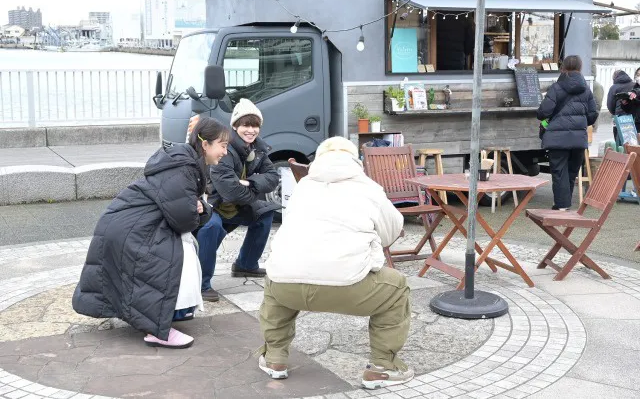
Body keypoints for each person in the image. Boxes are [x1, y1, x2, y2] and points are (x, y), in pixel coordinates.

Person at [257, 136, 411, 390]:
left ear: (318, 159)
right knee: (397, 288)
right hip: (348, 286)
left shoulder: (303, 186)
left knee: (277, 278)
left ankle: (274, 359)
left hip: (287, 289)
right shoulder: (369, 188)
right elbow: (392, 232)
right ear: (355, 160)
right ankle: (383, 367)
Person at [72, 117, 230, 348]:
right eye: (222, 145)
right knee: (176, 257)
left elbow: (186, 210)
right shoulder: (184, 167)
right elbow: (184, 220)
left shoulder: (185, 162)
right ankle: (157, 330)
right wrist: (201, 208)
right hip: (130, 229)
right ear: (205, 144)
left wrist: (200, 207)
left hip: (126, 224)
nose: (225, 151)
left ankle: (167, 315)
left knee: (178, 251)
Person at [197, 98, 279, 303]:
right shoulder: (225, 149)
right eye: (245, 125)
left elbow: (273, 177)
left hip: (239, 204)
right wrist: (250, 187)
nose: (251, 130)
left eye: (255, 125)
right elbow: (230, 191)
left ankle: (246, 264)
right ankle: (201, 284)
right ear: (235, 126)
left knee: (265, 212)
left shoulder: (258, 148)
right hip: (214, 206)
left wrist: (250, 183)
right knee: (210, 229)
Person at [538, 55, 598, 211]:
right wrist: (580, 123)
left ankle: (561, 206)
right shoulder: (586, 90)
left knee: (559, 172)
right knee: (571, 172)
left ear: (563, 68)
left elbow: (544, 112)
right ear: (580, 67)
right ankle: (565, 205)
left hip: (557, 138)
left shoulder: (556, 88)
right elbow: (593, 115)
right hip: (578, 139)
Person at [607, 69, 636, 145]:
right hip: (633, 116)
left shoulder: (614, 87)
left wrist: (615, 113)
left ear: (615, 78)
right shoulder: (634, 85)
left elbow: (610, 105)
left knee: (619, 140)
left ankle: (620, 153)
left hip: (619, 117)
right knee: (633, 140)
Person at [618, 67, 640, 136]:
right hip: (634, 122)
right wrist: (625, 104)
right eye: (638, 75)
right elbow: (629, 109)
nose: (638, 77)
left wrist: (635, 100)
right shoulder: (634, 88)